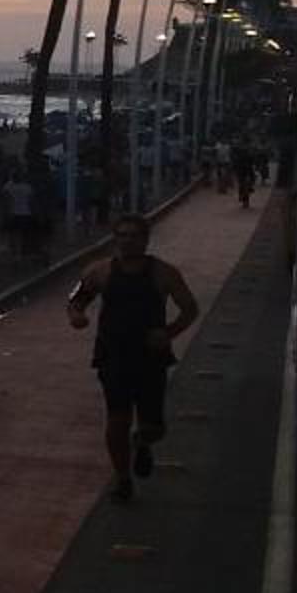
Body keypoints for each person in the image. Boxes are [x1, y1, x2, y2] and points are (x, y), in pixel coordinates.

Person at [67, 213, 202, 501]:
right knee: (117, 419)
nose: (128, 241)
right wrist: (76, 315)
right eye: (122, 236)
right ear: (115, 239)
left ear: (145, 239)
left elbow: (190, 308)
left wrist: (169, 332)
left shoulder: (164, 273)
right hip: (113, 355)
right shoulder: (100, 271)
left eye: (134, 236)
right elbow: (77, 299)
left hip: (150, 356)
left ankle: (142, 442)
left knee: (153, 426)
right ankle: (122, 477)